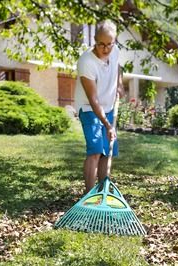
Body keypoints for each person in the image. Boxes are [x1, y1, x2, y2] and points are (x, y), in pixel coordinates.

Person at [74, 20, 124, 193]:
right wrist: (108, 125)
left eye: (109, 44)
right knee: (95, 150)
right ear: (94, 39)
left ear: (114, 41)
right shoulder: (86, 62)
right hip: (89, 107)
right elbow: (93, 99)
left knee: (107, 151)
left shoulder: (115, 51)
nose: (105, 49)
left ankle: (102, 192)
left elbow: (118, 67)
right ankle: (88, 196)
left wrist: (119, 84)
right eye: (100, 44)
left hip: (109, 106)